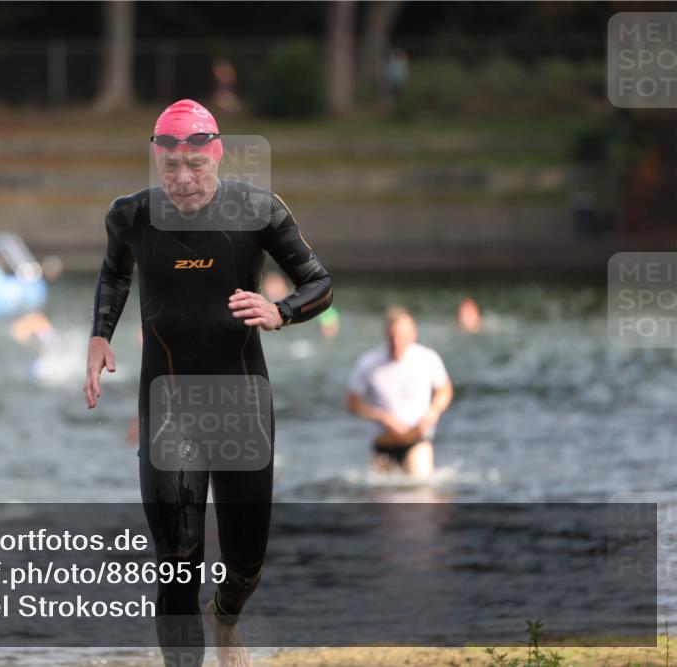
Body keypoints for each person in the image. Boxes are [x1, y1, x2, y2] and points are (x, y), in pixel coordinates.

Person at [85, 99, 332, 667]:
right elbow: (114, 270)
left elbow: (318, 282)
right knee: (176, 559)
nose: (183, 179)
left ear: (216, 155)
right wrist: (100, 334)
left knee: (246, 561)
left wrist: (281, 311)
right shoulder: (131, 215)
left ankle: (225, 617)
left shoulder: (258, 210)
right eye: (170, 168)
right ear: (156, 162)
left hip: (242, 403)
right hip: (168, 405)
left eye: (195, 166)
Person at [346, 307, 452, 479]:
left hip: (417, 441)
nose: (396, 342)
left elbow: (445, 390)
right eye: (392, 337)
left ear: (413, 334)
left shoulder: (427, 358)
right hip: (383, 444)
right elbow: (351, 403)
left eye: (401, 337)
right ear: (386, 334)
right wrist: (381, 417)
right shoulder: (369, 363)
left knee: (420, 492)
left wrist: (433, 412)